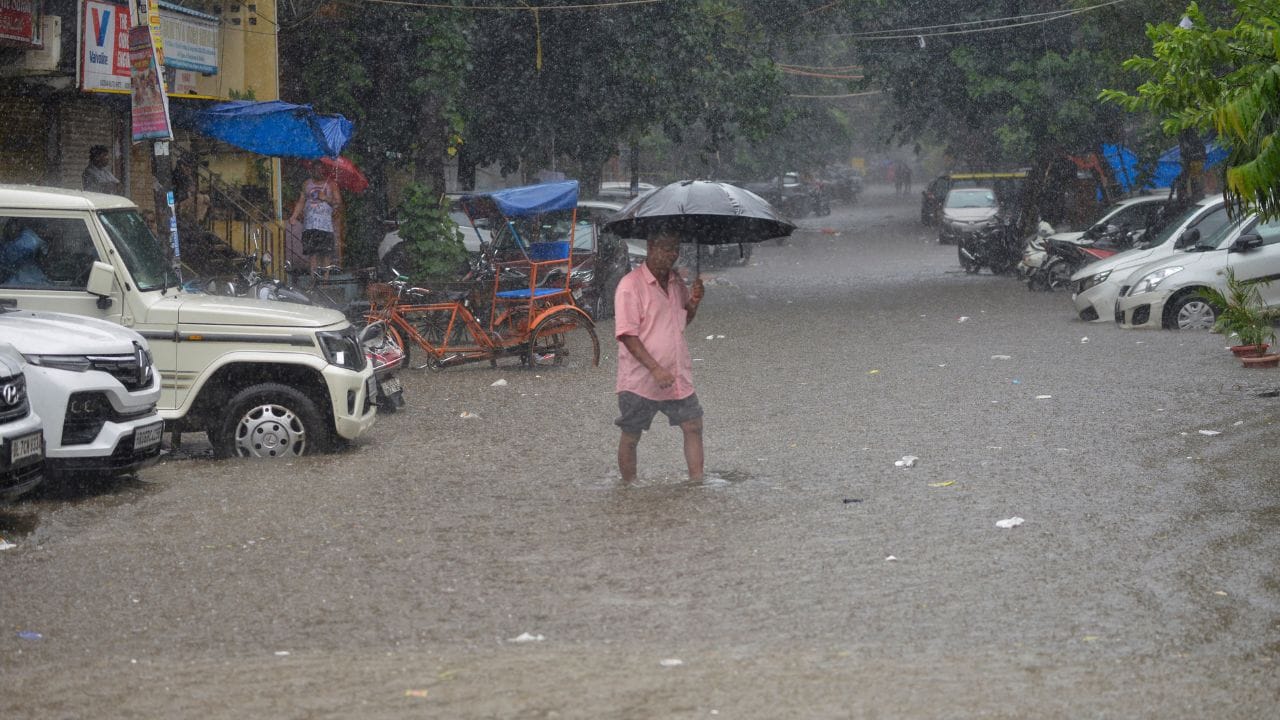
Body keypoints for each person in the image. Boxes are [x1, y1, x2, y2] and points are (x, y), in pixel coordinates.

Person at [613, 230, 706, 483]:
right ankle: (628, 487)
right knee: (631, 435)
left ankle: (697, 482)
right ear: (650, 247)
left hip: (676, 374)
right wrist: (655, 369)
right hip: (641, 379)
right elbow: (627, 335)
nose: (672, 255)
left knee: (693, 425)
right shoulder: (630, 286)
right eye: (666, 248)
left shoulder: (676, 282)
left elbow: (682, 320)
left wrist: (694, 301)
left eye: (675, 249)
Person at [288, 163, 343, 276]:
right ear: (312, 170)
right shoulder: (306, 184)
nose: (318, 171)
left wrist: (326, 198)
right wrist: (294, 216)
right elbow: (301, 201)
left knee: (325, 254)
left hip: (325, 226)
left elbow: (338, 202)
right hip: (310, 225)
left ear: (324, 170)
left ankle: (325, 280)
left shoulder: (331, 184)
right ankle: (314, 280)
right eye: (316, 169)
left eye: (321, 169)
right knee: (312, 254)